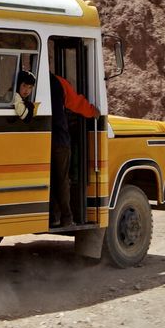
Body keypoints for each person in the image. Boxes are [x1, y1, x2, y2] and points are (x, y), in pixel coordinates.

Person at [49, 70, 98, 228]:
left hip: (40, 141)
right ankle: (67, 218)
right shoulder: (58, 82)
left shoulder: (30, 84)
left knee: (49, 179)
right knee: (62, 179)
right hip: (59, 140)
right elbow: (76, 103)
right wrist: (93, 111)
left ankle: (52, 216)